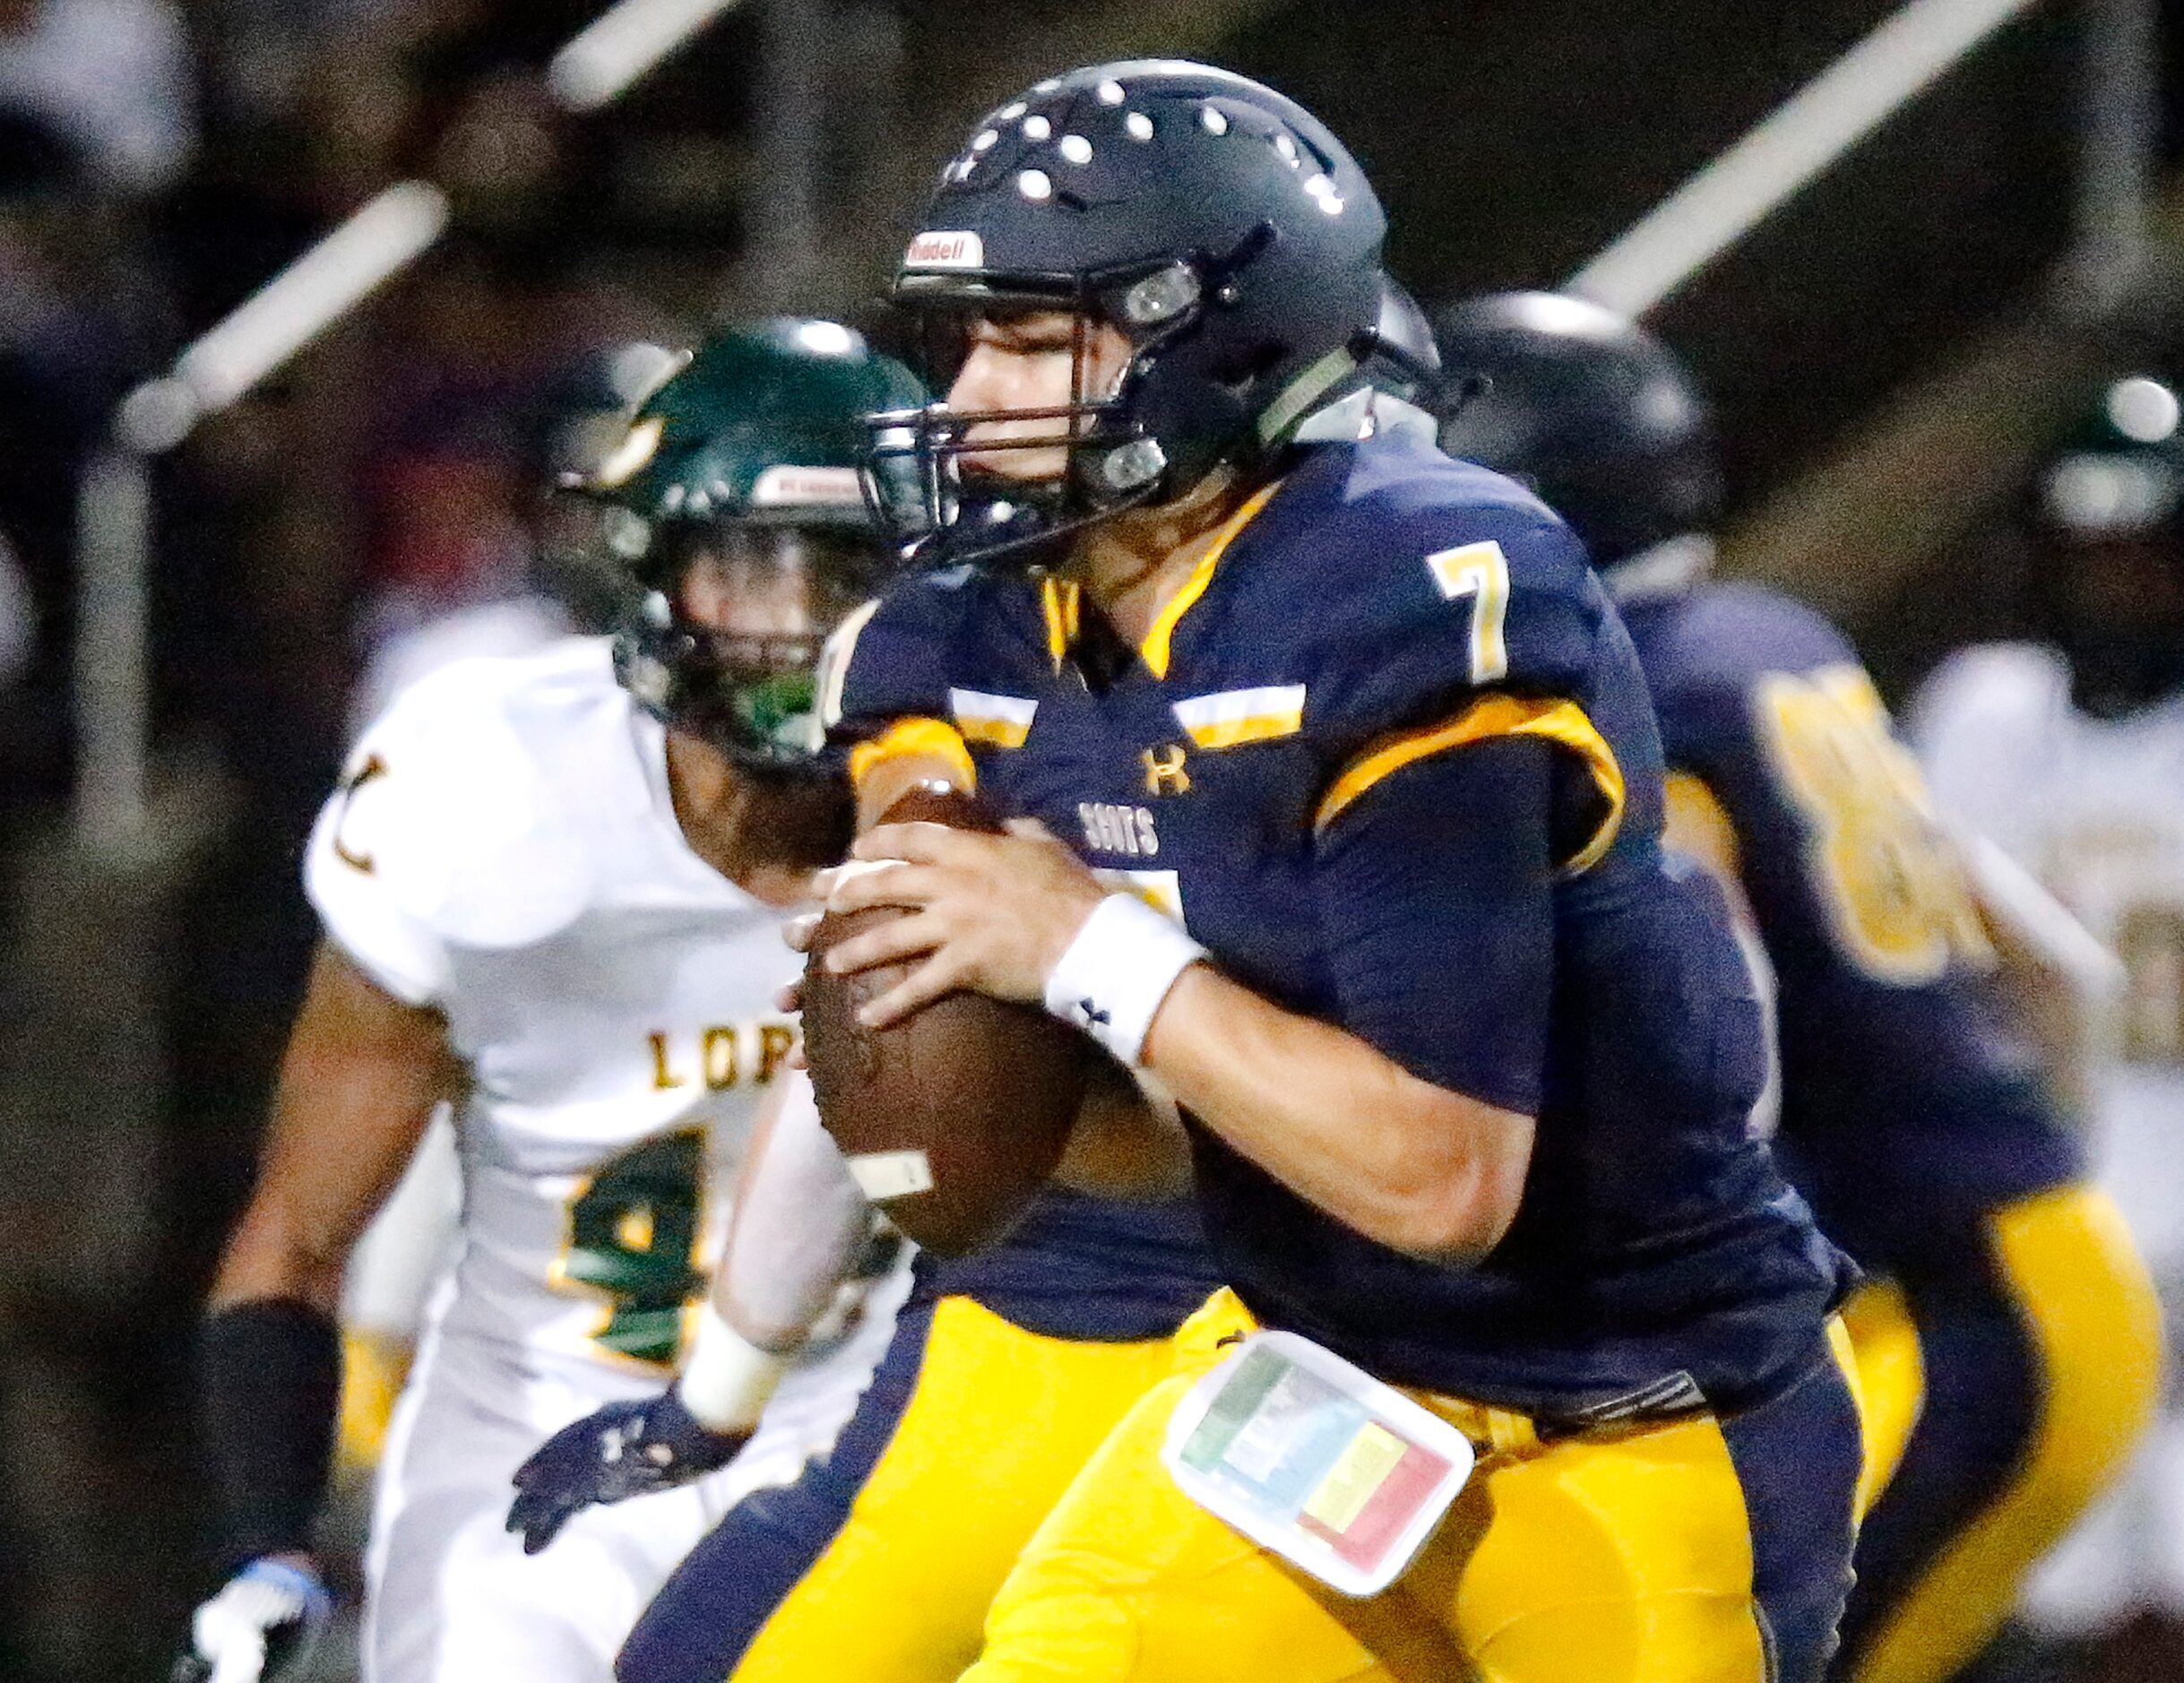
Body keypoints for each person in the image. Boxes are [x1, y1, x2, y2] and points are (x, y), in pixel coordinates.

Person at [812, 57, 1859, 1683]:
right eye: (964, 345)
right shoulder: (974, 628)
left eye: (1027, 341)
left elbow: (1441, 1180)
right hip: (1315, 1382)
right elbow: (1171, 1149)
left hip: (1628, 1411)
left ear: (1205, 335)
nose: (961, 405)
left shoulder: (1402, 588)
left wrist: (1083, 946)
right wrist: (974, 1030)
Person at [502, 282, 1444, 1683]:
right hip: (1046, 1318)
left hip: (1365, 1366)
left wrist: (1096, 964)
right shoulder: (987, 664)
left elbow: (1495, 1159)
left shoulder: (1472, 723)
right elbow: (883, 1029)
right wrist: (718, 1391)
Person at [174, 320, 924, 1683]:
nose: (807, 625)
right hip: (553, 1444)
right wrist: (269, 1543)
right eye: (757, 571)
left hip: (891, 1437)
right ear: (652, 572)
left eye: (852, 572)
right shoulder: (492, 788)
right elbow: (297, 1238)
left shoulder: (1004, 784)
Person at [1430, 292, 2162, 1683]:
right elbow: (2046, 965)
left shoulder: (1623, 704)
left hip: (1942, 1324)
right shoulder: (1762, 638)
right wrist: (2012, 1164)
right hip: (2002, 1274)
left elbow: (1717, 1084)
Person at [1912, 374, 2184, 1679]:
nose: (2114, 589)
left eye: (2142, 556)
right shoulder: (1984, 710)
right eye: (2091, 555)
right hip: (2052, 1203)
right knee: (2068, 1595)